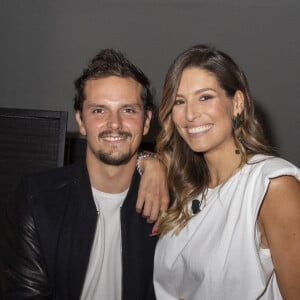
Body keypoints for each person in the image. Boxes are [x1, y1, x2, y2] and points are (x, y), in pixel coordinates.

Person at [0, 48, 169, 299]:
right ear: (81, 121)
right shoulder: (36, 199)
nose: (114, 124)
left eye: (128, 110)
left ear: (146, 122)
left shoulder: (171, 202)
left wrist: (154, 161)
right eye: (99, 110)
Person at [153, 44, 300, 299]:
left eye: (205, 97)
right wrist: (148, 160)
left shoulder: (271, 185)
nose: (190, 114)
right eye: (179, 101)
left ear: (237, 103)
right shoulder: (189, 192)